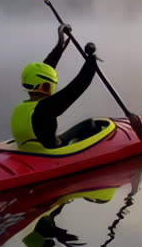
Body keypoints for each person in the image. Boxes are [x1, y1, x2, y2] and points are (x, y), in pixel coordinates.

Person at [11, 23, 102, 151]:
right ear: (46, 87)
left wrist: (60, 45)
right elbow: (78, 86)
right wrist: (91, 62)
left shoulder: (20, 108)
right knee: (90, 125)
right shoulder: (45, 108)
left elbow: (45, 69)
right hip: (50, 153)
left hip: (29, 150)